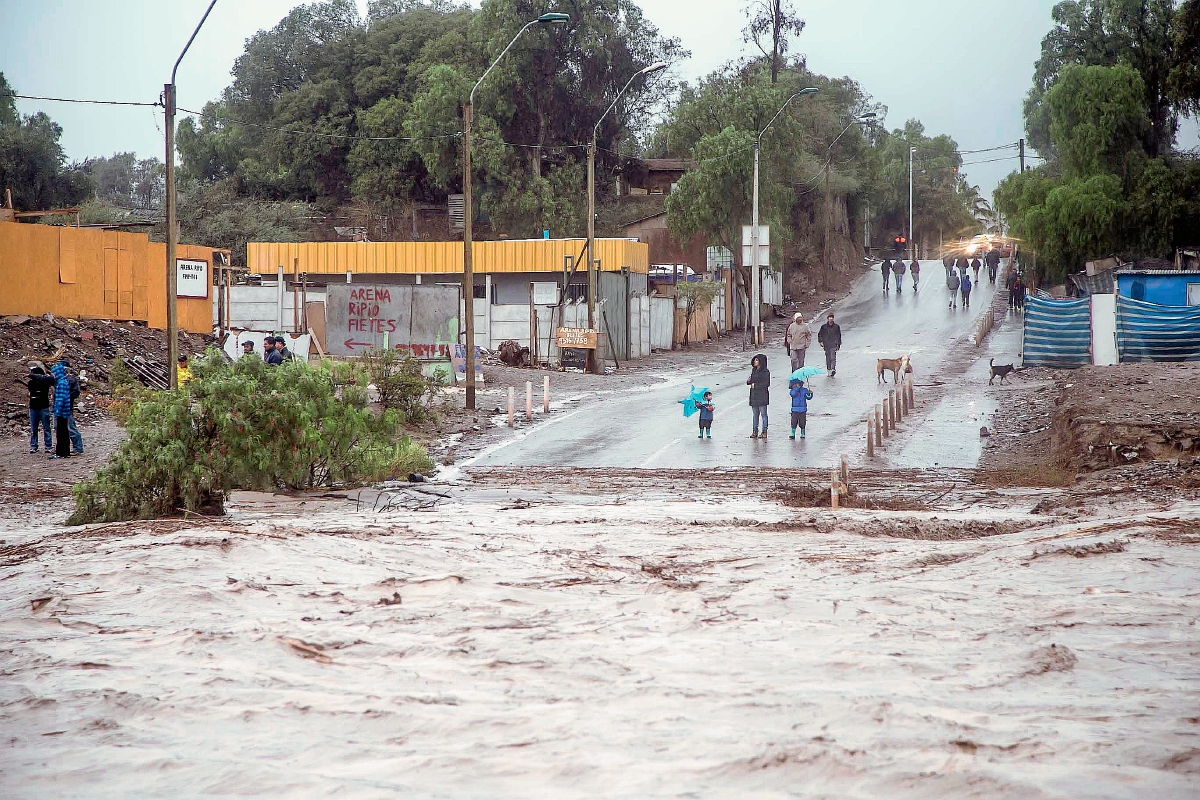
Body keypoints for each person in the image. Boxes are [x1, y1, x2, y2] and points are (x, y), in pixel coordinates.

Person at [15, 363, 55, 454]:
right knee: (36, 428)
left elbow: (30, 393)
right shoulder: (33, 383)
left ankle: (44, 446)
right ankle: (38, 446)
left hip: (41, 407)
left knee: (44, 428)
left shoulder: (44, 382)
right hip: (35, 407)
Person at [49, 360, 75, 459]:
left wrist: (57, 411)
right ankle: (65, 452)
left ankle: (61, 452)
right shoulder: (63, 382)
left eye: (53, 373)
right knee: (64, 432)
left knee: (61, 433)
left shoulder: (61, 383)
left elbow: (61, 399)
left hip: (61, 412)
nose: (53, 375)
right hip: (64, 412)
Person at [746, 353, 770, 439]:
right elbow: (750, 381)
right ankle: (754, 431)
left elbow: (766, 383)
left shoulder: (765, 372)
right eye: (755, 360)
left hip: (762, 395)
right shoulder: (754, 370)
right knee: (755, 414)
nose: (755, 362)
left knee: (763, 414)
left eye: (757, 360)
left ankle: (764, 431)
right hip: (754, 396)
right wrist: (749, 381)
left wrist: (755, 386)